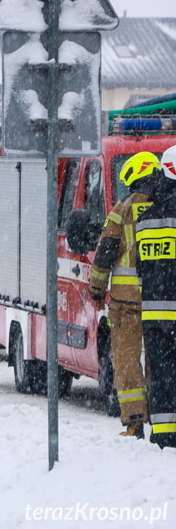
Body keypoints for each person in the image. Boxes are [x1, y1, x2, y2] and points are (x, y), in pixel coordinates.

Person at [89, 152, 160, 438]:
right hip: (161, 299)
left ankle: (134, 421)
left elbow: (105, 253)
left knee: (127, 359)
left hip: (126, 301)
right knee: (160, 359)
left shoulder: (123, 208)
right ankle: (164, 416)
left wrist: (96, 289)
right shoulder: (168, 207)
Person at [136, 145, 176, 449]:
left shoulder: (146, 217)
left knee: (162, 377)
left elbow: (141, 268)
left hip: (155, 315)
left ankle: (163, 434)